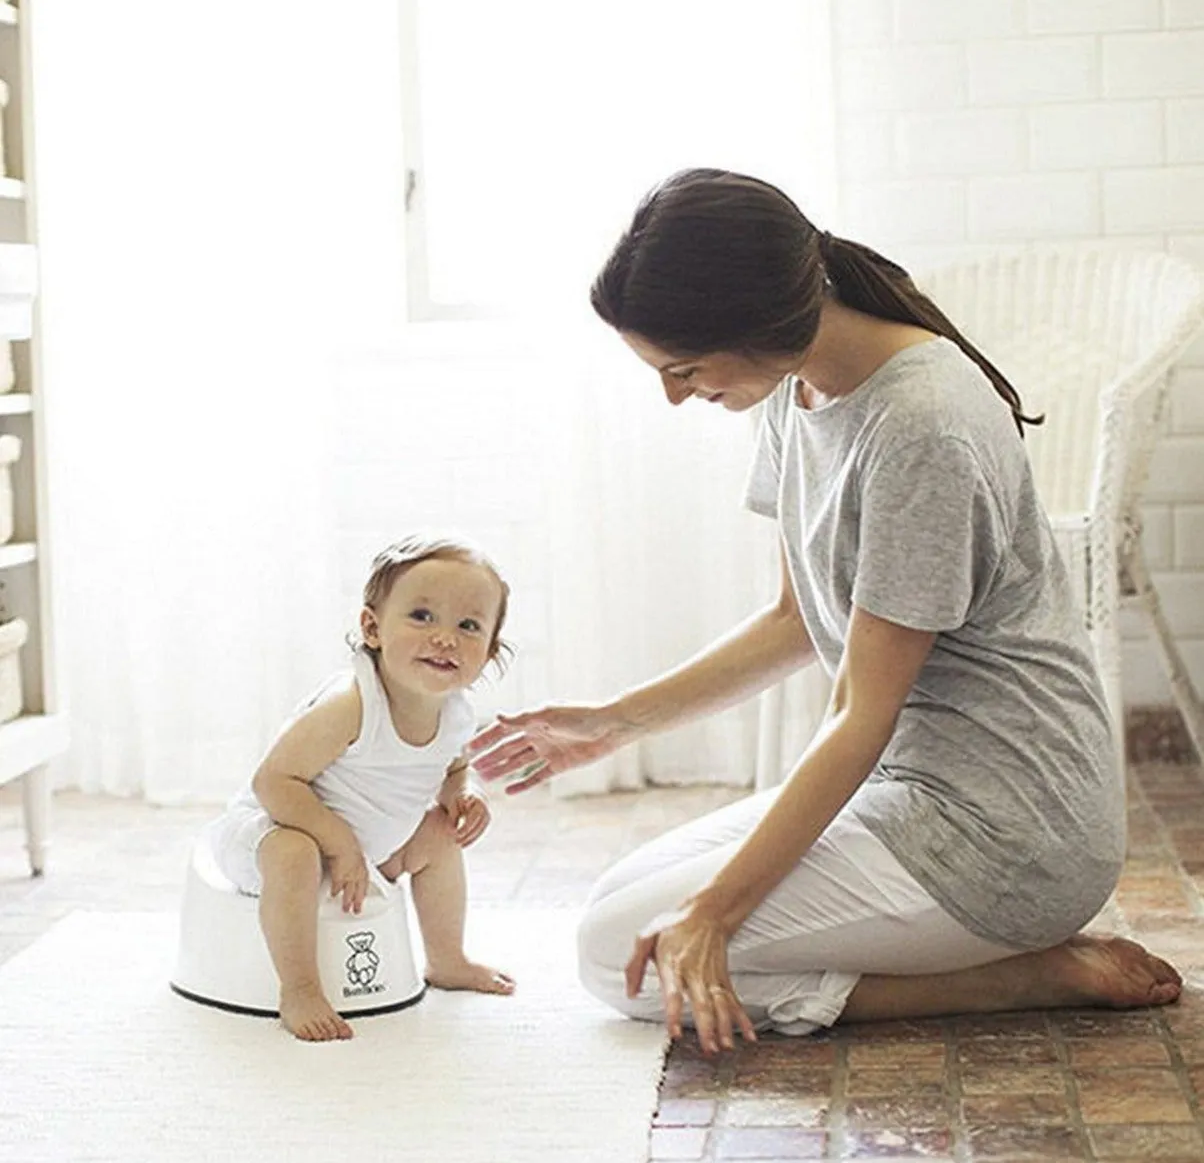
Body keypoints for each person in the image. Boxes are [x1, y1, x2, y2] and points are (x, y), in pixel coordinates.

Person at [468, 168, 1182, 1056]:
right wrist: (611, 725)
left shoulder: (922, 425)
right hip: (911, 794)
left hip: (1010, 836)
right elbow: (794, 620)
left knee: (621, 953)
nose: (675, 395)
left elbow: (861, 709)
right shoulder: (798, 387)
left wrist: (718, 915)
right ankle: (980, 961)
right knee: (623, 904)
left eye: (683, 369)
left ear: (755, 323)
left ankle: (1021, 975)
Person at [206, 534, 516, 1042]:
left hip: (366, 849)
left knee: (439, 834)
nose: (445, 638)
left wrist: (466, 794)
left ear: (488, 652)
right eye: (422, 616)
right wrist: (339, 842)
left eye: (468, 626)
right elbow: (274, 781)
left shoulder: (456, 713)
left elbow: (453, 768)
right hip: (277, 831)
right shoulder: (351, 705)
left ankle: (447, 959)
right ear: (372, 628)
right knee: (293, 852)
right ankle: (301, 987)